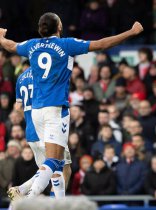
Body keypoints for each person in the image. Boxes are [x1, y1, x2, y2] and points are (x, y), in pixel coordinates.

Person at [0, 12, 143, 199]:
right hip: (55, 109)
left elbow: (11, 46)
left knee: (57, 163)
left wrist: (1, 37)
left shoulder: (32, 45)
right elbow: (101, 43)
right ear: (59, 26)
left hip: (36, 112)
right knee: (54, 160)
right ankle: (28, 198)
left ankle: (47, 204)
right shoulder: (66, 44)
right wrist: (130, 33)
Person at [7, 67, 72, 200]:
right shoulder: (46, 74)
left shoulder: (21, 78)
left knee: (47, 169)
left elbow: (18, 107)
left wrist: (30, 121)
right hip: (48, 128)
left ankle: (21, 189)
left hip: (31, 131)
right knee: (62, 169)